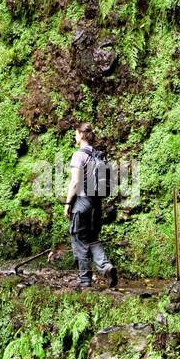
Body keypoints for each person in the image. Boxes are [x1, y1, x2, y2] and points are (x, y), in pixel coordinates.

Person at [64, 123, 118, 289]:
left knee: (79, 239)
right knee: (92, 240)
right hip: (96, 205)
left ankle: (85, 280)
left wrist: (67, 203)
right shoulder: (98, 155)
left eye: (75, 134)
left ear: (81, 135)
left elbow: (75, 182)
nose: (74, 137)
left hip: (82, 202)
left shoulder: (78, 155)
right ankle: (106, 267)